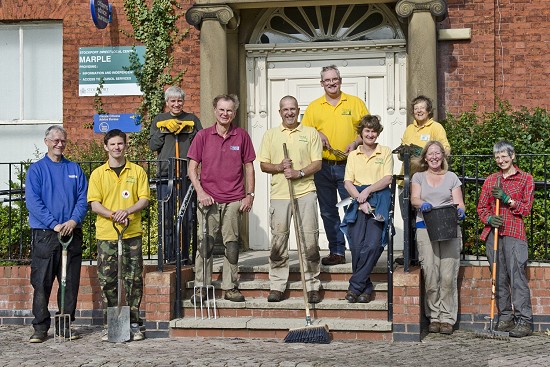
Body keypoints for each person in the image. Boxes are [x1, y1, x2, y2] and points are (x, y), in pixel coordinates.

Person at [187, 94, 255, 303]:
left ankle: (230, 286)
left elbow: (249, 166)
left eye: (229, 110)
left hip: (234, 199)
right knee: (204, 244)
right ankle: (201, 286)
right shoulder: (203, 136)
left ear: (234, 113)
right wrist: (200, 192)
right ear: (215, 111)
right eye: (221, 110)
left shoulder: (241, 135)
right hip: (209, 200)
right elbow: (192, 167)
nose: (225, 114)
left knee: (232, 245)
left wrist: (250, 195)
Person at [25, 125, 88, 343]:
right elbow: (33, 202)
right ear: (46, 142)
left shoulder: (75, 169)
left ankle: (65, 325)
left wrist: (72, 221)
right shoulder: (36, 170)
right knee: (41, 282)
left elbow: (83, 199)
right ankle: (40, 328)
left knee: (69, 282)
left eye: (63, 140)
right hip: (46, 234)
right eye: (55, 140)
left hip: (72, 233)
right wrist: (54, 224)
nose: (59, 144)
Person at [301, 65, 369, 266]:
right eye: (327, 80)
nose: (331, 83)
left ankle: (357, 250)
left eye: (334, 79)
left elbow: (369, 128)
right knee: (328, 211)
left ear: (340, 80)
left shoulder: (355, 103)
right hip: (321, 167)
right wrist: (317, 134)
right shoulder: (314, 107)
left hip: (348, 165)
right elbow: (304, 132)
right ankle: (337, 251)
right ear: (322, 83)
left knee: (352, 208)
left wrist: (356, 143)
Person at [259, 96, 323, 304]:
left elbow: (317, 163)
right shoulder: (271, 135)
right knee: (279, 241)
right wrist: (279, 167)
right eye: (285, 109)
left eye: (293, 109)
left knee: (309, 240)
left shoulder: (310, 133)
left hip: (305, 193)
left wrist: (300, 172)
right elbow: (263, 165)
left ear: (298, 110)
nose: (289, 113)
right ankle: (277, 286)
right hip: (280, 195)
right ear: (280, 112)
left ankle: (312, 284)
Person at [88, 129, 150, 341]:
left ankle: (133, 323)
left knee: (133, 279)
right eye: (112, 144)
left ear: (125, 145)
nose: (117, 148)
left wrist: (127, 211)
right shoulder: (98, 174)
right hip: (107, 235)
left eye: (120, 144)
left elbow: (144, 199)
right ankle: (111, 323)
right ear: (106, 147)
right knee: (108, 280)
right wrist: (113, 215)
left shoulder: (137, 172)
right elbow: (94, 204)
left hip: (131, 233)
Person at [477, 140, 534, 338]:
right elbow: (481, 207)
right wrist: (489, 218)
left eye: (504, 156)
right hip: (493, 234)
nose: (501, 160)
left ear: (512, 156)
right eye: (497, 157)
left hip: (515, 233)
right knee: (498, 277)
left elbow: (526, 209)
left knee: (517, 276)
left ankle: (524, 320)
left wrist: (507, 199)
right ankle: (506, 317)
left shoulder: (525, 178)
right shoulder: (491, 180)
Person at [410, 141, 465, 335]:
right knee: (431, 274)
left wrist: (460, 212)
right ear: (425, 157)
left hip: (448, 227)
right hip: (425, 227)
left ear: (443, 156)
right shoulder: (418, 176)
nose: (434, 157)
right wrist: (422, 204)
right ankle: (434, 316)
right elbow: (414, 198)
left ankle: (447, 318)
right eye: (430, 153)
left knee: (448, 275)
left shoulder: (451, 177)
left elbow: (459, 203)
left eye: (437, 153)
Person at [341, 115, 393, 304]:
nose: (370, 134)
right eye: (367, 131)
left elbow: (388, 178)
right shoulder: (354, 155)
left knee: (372, 244)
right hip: (358, 200)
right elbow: (348, 182)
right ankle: (366, 288)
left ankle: (354, 287)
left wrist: (368, 191)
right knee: (356, 246)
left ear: (377, 133)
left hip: (379, 197)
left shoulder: (385, 152)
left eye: (373, 131)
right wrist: (360, 199)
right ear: (361, 133)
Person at [149, 86, 202, 263]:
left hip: (187, 176)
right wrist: (164, 131)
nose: (176, 104)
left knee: (187, 217)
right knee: (167, 216)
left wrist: (189, 130)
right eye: (173, 101)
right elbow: (153, 146)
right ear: (167, 103)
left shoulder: (192, 119)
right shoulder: (159, 120)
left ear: (183, 102)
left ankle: (186, 255)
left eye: (179, 101)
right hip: (165, 175)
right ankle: (170, 255)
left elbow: (201, 145)